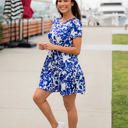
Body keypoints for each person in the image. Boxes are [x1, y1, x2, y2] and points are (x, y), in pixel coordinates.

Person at [33, 0, 86, 128]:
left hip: (68, 68)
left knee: (69, 106)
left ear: (72, 3)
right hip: (52, 67)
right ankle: (56, 125)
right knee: (38, 98)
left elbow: (76, 50)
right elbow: (55, 44)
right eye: (59, 1)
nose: (62, 4)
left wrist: (54, 47)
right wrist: (45, 46)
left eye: (65, 1)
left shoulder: (75, 23)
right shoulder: (56, 21)